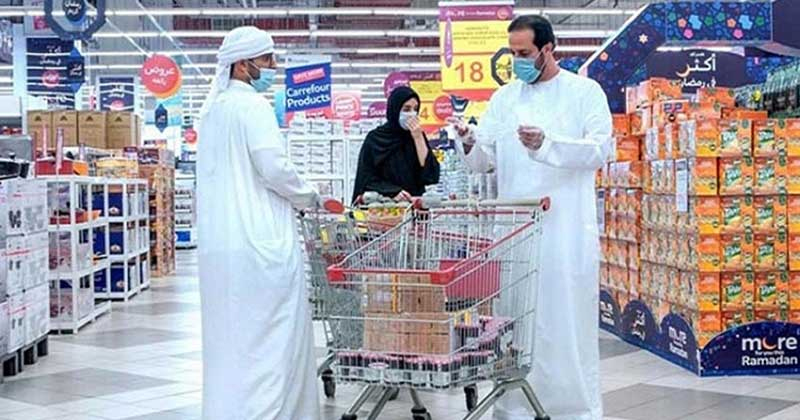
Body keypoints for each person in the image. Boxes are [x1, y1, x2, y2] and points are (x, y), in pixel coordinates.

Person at [449, 15, 612, 420]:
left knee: (564, 321)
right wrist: (468, 142)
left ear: (548, 49)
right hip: (515, 234)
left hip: (565, 232)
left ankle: (572, 409)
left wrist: (547, 144)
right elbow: (484, 162)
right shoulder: (504, 99)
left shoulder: (584, 92)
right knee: (517, 322)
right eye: (512, 53)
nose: (517, 61)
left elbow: (599, 151)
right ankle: (515, 407)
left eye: (524, 53)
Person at [196, 26, 320, 420]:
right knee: (271, 342)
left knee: (230, 344)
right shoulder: (253, 107)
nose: (272, 67)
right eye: (266, 59)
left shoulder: (211, 113)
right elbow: (274, 167)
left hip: (220, 247)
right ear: (242, 64)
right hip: (260, 244)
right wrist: (309, 194)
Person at [351, 86, 440, 204]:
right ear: (395, 109)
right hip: (382, 208)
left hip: (414, 207)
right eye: (406, 109)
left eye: (415, 109)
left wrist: (418, 138)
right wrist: (392, 191)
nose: (411, 114)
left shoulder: (416, 135)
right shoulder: (375, 139)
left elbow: (431, 175)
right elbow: (366, 178)